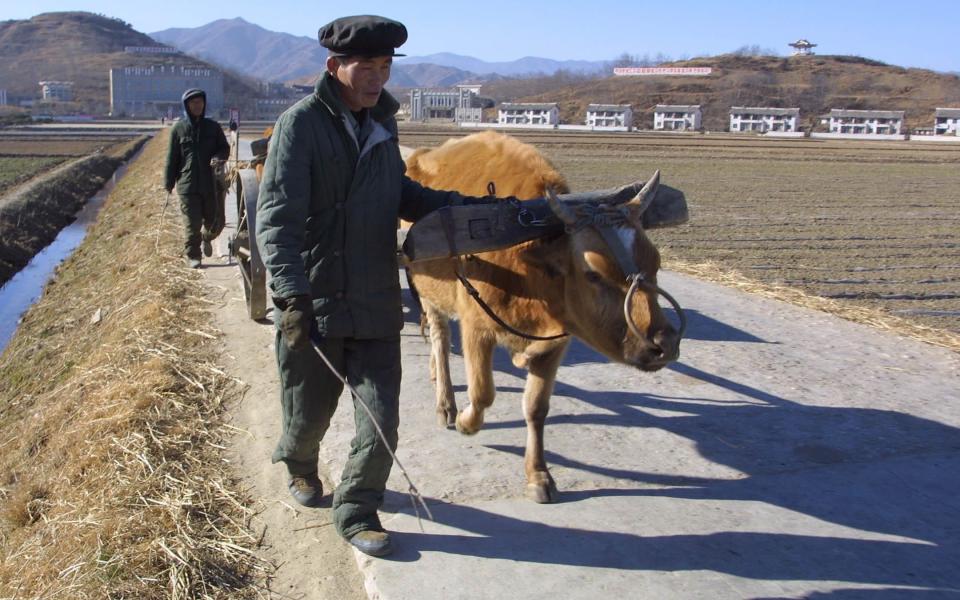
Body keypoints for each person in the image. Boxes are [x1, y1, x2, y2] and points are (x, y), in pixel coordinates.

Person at [255, 14, 495, 557]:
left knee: (381, 414)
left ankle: (358, 507)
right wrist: (290, 295)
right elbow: (276, 218)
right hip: (315, 300)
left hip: (375, 299)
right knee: (307, 412)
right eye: (367, 66)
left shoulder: (383, 127)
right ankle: (298, 462)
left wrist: (476, 210)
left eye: (385, 67)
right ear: (335, 66)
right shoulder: (302, 125)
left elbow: (402, 194)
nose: (377, 78)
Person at [164, 88, 230, 268]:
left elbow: (224, 148)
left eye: (200, 102)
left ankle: (207, 238)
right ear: (186, 105)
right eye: (193, 103)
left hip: (211, 183)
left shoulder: (213, 127)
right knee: (192, 224)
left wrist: (218, 157)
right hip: (188, 185)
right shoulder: (178, 129)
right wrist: (168, 182)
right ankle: (194, 255)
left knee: (216, 223)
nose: (197, 105)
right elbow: (172, 157)